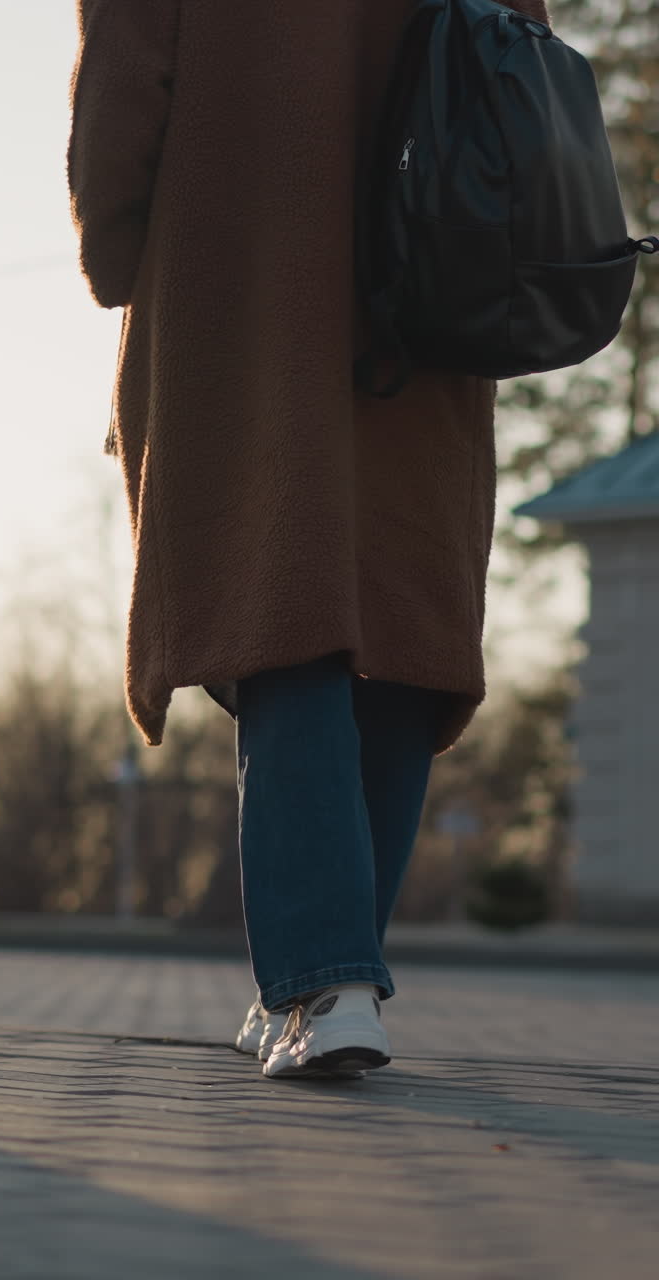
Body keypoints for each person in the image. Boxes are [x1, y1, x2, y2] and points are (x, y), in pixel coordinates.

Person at [67, 0, 550, 1081]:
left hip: (247, 281)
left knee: (275, 604)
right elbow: (525, 56)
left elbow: (122, 89)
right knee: (394, 628)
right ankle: (324, 978)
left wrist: (115, 247)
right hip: (434, 276)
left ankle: (327, 983)